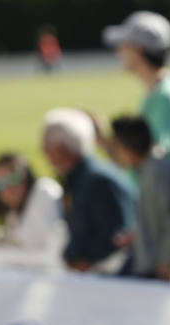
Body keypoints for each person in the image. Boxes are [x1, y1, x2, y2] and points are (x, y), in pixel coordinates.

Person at [41, 108, 136, 274]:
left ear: (64, 147)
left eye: (48, 144)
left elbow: (118, 237)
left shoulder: (98, 182)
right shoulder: (76, 179)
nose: (44, 151)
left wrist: (85, 260)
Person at [103, 11, 170, 171]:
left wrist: (107, 144)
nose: (118, 51)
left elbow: (153, 158)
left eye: (123, 45)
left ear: (137, 51)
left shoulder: (164, 95)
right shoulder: (167, 88)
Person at [110, 115, 170, 280]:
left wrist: (166, 261)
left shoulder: (157, 171)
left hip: (157, 266)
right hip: (148, 259)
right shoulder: (147, 169)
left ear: (128, 147)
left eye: (117, 148)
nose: (115, 154)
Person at [0, 152, 66, 258]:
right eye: (0, 183)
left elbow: (51, 250)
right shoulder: (14, 210)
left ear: (26, 176)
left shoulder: (45, 193)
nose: (8, 189)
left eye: (13, 179)